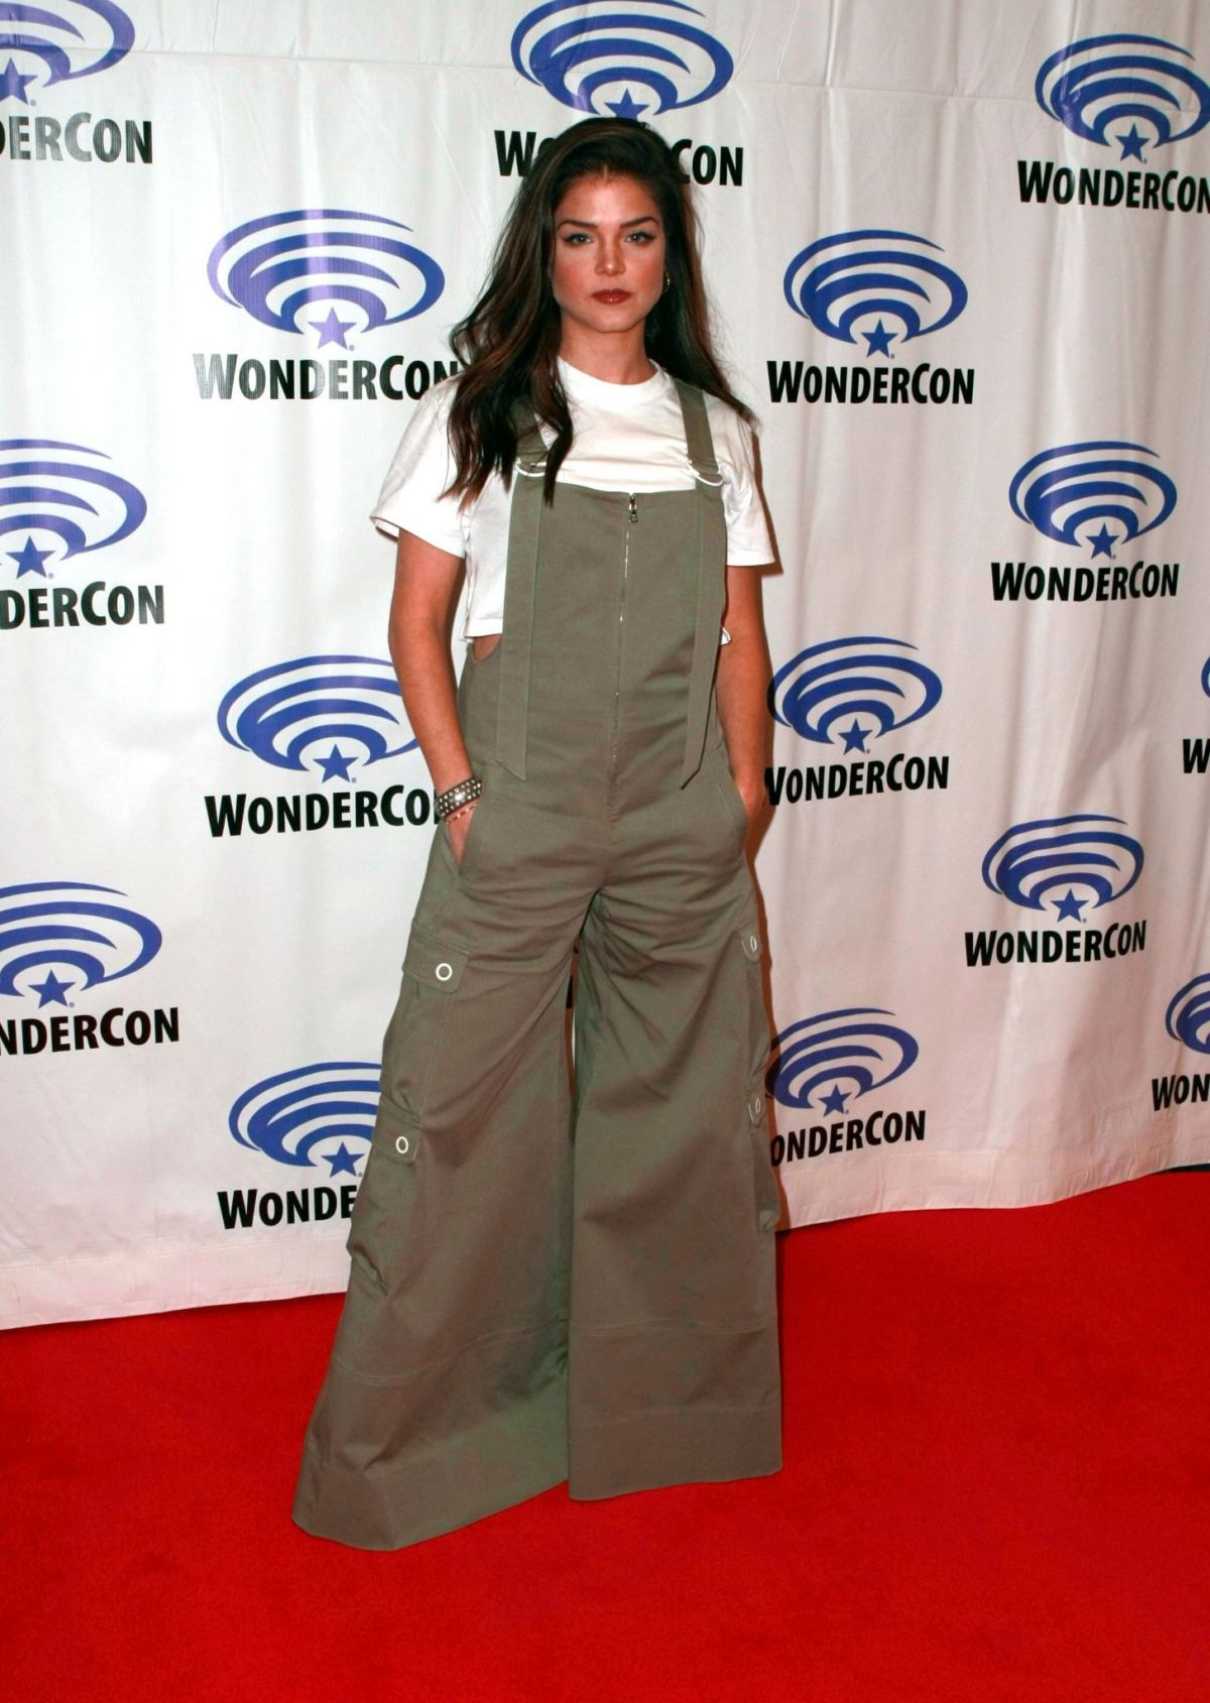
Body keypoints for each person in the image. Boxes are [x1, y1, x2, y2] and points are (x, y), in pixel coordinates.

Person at [292, 115, 782, 1551]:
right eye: (580, 236)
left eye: (636, 234)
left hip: (681, 812)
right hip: (522, 799)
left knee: (685, 1123)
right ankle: (427, 1451)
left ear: (667, 254)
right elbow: (417, 624)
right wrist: (459, 793)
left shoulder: (716, 429)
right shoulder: (482, 408)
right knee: (454, 1125)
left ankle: (663, 1417)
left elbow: (739, 636)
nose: (608, 262)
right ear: (543, 252)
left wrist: (745, 790)